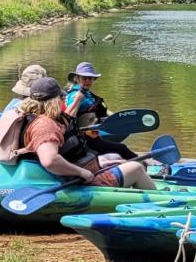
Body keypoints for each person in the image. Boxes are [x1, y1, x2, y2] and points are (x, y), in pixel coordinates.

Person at [15, 76, 154, 188]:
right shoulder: (45, 125)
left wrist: (97, 164)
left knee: (114, 158)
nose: (63, 99)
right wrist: (82, 172)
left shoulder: (37, 118)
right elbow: (50, 161)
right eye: (60, 97)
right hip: (83, 180)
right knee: (136, 168)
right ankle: (160, 208)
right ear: (53, 101)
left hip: (82, 168)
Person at [64, 61, 135, 160]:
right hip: (85, 140)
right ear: (77, 78)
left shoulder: (87, 93)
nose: (87, 81)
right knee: (122, 149)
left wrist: (118, 118)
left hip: (93, 134)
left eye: (90, 78)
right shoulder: (75, 95)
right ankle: (144, 168)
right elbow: (67, 116)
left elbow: (102, 109)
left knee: (118, 147)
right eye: (84, 78)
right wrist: (77, 100)